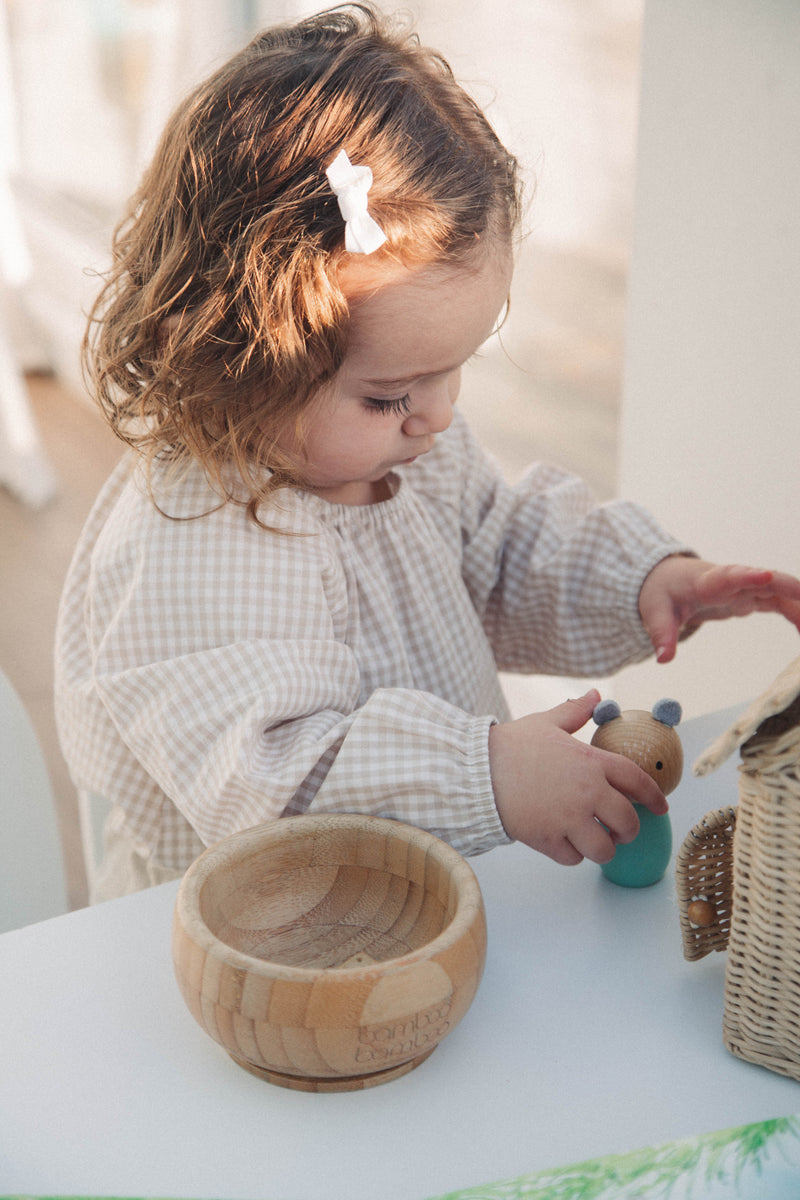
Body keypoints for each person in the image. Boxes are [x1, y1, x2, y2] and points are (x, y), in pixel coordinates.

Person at [55, 3, 800, 901]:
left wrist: (639, 579)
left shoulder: (400, 448)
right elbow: (280, 786)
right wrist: (486, 775)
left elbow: (501, 548)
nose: (437, 417)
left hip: (420, 906)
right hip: (258, 949)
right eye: (391, 394)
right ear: (241, 361)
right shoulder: (194, 539)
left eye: (454, 371)